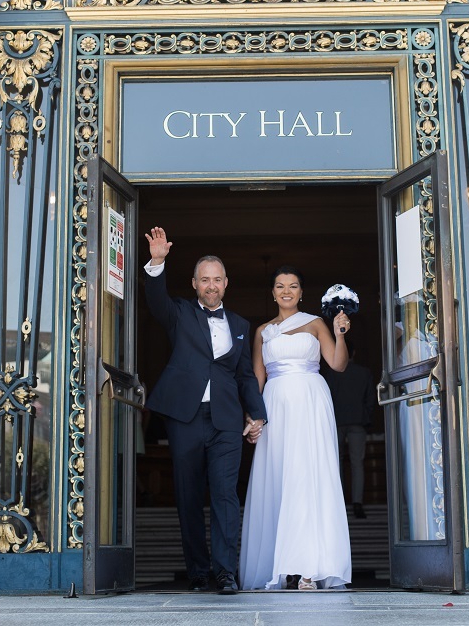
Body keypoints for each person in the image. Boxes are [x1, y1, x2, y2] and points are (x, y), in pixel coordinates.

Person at [144, 226, 267, 594]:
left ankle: (226, 571)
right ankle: (198, 570)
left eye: (217, 279)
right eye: (204, 280)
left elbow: (246, 376)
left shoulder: (241, 326)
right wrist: (157, 261)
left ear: (226, 283)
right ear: (194, 283)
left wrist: (256, 414)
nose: (211, 286)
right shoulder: (179, 313)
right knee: (189, 495)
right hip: (186, 417)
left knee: (226, 495)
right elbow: (155, 301)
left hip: (227, 420)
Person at [239, 266, 352, 591]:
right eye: (279, 286)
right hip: (275, 406)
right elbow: (257, 378)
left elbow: (337, 364)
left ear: (302, 292)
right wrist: (252, 417)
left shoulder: (316, 323)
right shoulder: (262, 331)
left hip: (310, 403)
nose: (286, 291)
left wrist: (340, 334)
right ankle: (283, 565)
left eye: (293, 286)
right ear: (272, 293)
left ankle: (309, 568)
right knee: (278, 479)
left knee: (308, 477)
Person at [323, 341, 375, 518]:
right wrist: (366, 418)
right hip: (358, 421)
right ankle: (357, 503)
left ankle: (338, 504)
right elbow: (370, 399)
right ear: (354, 354)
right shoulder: (365, 373)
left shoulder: (331, 373)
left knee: (336, 462)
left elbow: (327, 397)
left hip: (336, 421)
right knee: (357, 463)